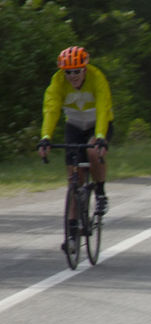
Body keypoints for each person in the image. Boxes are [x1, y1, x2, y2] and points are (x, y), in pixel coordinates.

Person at [37, 46, 112, 221]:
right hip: (74, 125)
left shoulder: (97, 78)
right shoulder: (58, 82)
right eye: (68, 72)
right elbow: (51, 110)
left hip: (98, 124)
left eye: (76, 71)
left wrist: (101, 136)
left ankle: (100, 193)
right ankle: (72, 231)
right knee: (74, 180)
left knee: (93, 150)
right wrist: (45, 137)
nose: (72, 76)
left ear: (84, 68)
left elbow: (103, 108)